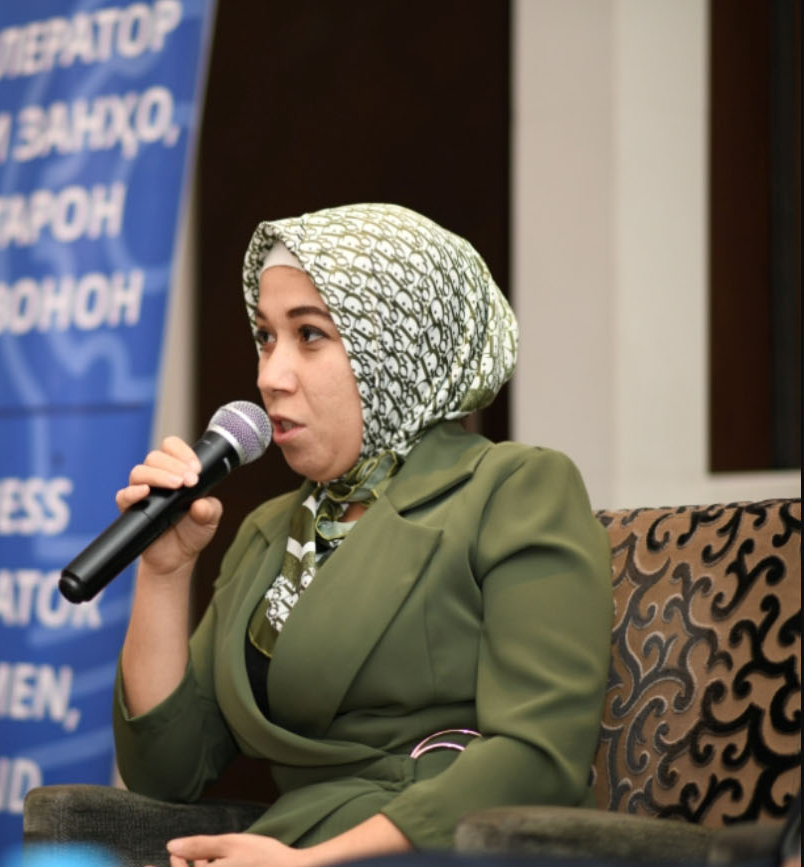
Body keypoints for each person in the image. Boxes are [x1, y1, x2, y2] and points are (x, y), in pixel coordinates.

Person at [112, 203, 613, 866]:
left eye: (310, 335)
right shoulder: (269, 530)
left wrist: (314, 863)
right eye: (265, 336)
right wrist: (165, 571)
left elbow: (539, 755)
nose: (269, 376)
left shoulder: (513, 488)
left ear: (400, 346)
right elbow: (166, 770)